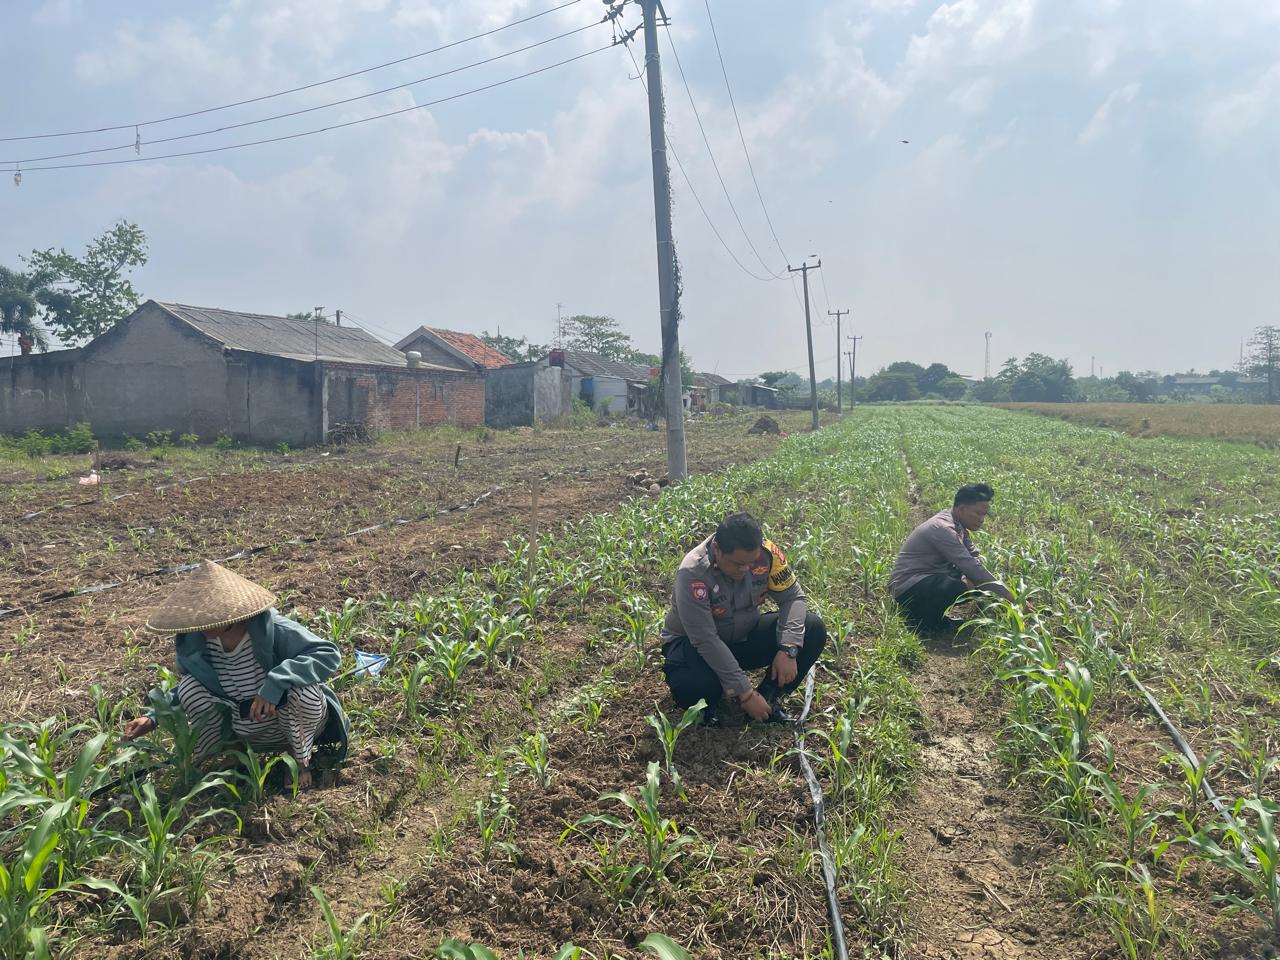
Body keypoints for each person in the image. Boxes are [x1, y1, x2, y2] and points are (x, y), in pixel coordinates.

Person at [122, 561, 350, 790]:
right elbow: (189, 687)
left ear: (230, 614)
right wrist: (153, 717)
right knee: (190, 688)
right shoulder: (195, 643)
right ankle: (234, 751)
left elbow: (327, 653)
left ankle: (299, 759)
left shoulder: (275, 629)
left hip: (286, 719)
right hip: (245, 727)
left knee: (304, 691)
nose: (200, 625)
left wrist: (275, 684)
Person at [660, 512, 827, 726]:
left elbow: (793, 597)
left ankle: (768, 698)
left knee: (812, 629)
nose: (746, 569)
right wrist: (745, 694)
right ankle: (711, 707)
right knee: (695, 687)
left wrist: (789, 648)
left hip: (741, 636)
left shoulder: (768, 554)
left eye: (751, 562)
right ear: (717, 549)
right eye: (738, 564)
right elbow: (705, 638)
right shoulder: (693, 573)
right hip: (694, 647)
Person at [888, 482, 1016, 635]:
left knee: (972, 583)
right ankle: (922, 622)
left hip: (926, 581)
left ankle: (934, 617)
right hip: (908, 587)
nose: (982, 519)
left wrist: (985, 584)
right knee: (960, 587)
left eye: (984, 515)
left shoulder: (959, 527)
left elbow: (974, 558)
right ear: (961, 509)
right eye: (978, 513)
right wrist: (1011, 598)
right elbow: (972, 568)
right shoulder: (942, 528)